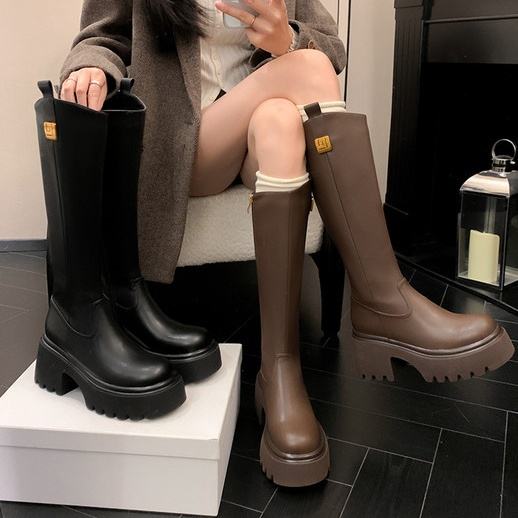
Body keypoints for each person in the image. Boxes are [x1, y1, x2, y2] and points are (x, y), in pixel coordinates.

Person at [58, 0, 514, 487]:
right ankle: (382, 299)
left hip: (257, 133)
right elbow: (101, 37)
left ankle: (279, 372)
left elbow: (331, 45)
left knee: (280, 119)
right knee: (309, 69)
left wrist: (286, 41)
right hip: (185, 143)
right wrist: (91, 67)